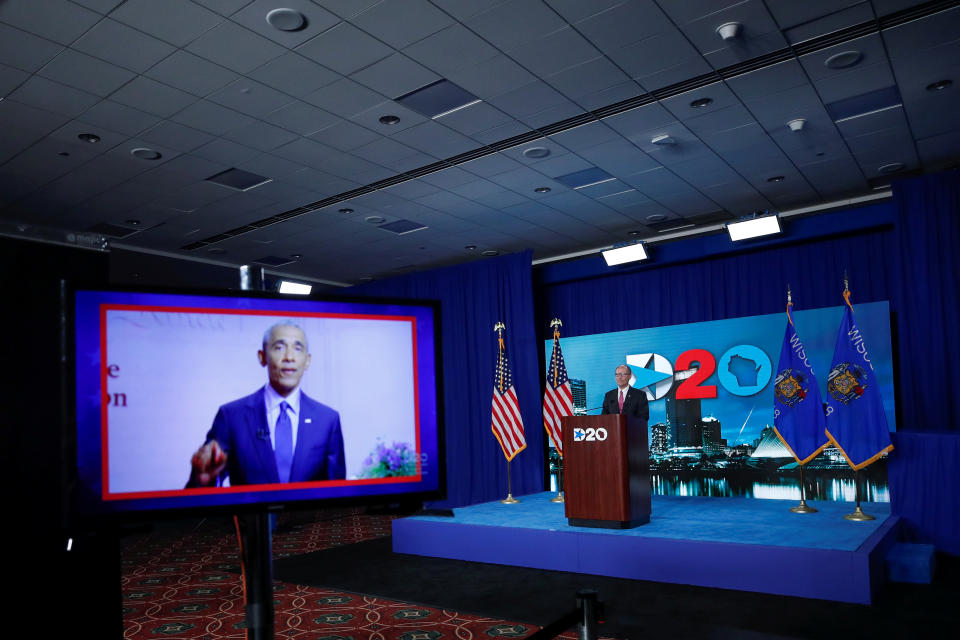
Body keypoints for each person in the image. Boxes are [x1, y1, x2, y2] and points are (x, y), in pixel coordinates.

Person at [187, 321, 345, 487]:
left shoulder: (327, 420)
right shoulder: (231, 416)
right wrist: (202, 479)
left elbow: (338, 495)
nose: (289, 357)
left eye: (297, 348)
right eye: (279, 347)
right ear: (262, 357)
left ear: (307, 361)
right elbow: (201, 487)